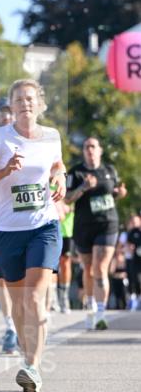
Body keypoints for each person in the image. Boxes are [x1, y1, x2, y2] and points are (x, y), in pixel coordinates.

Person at [0, 78, 66, 392]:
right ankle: (28, 359)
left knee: (35, 297)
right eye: (19, 99)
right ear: (10, 107)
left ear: (40, 104)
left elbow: (57, 164)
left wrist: (61, 177)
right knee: (17, 303)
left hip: (44, 226)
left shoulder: (52, 136)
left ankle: (33, 367)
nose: (25, 103)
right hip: (7, 230)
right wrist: (5, 172)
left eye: (30, 98)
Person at [66, 136, 127, 329]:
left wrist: (120, 193)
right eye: (86, 147)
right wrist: (83, 187)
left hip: (107, 224)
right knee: (88, 269)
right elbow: (67, 199)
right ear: (83, 151)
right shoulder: (76, 172)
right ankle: (91, 307)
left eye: (93, 146)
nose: (90, 150)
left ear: (100, 150)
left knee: (100, 268)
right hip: (84, 226)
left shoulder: (109, 171)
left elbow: (114, 192)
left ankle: (101, 314)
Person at [0, 96, 19, 353]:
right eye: (2, 111)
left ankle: (27, 321)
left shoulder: (29, 138)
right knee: (2, 278)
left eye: (9, 111)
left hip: (27, 218)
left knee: (28, 278)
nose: (6, 116)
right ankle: (11, 325)